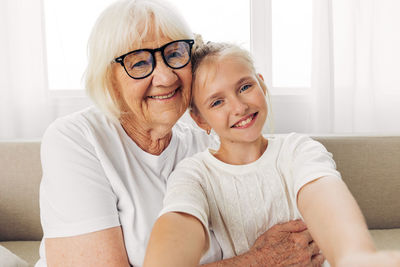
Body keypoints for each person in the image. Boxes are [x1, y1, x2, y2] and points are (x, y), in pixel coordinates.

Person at [35, 0, 325, 266]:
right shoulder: (77, 139)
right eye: (139, 63)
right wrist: (258, 261)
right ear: (109, 81)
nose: (165, 77)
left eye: (175, 54)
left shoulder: (207, 140)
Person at [143, 41, 400, 267]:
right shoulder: (195, 174)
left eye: (244, 87)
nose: (239, 106)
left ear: (262, 85)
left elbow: (323, 194)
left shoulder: (298, 150)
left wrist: (353, 256)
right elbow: (178, 223)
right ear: (199, 119)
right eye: (217, 102)